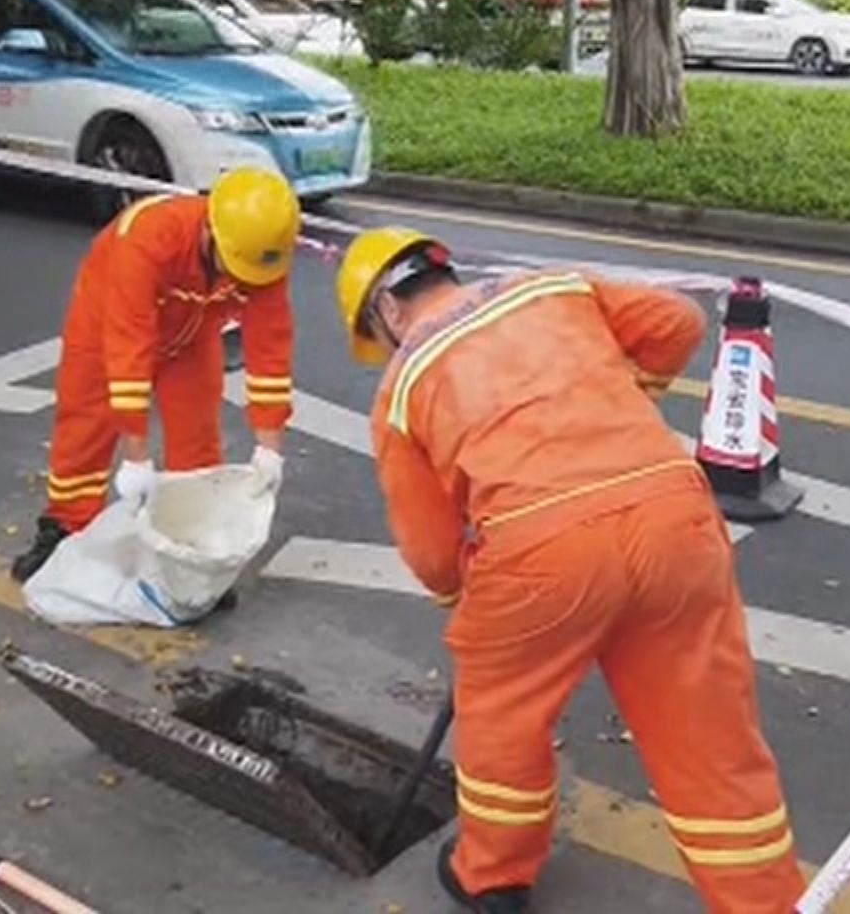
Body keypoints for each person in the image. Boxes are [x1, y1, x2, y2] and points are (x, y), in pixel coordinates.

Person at [336, 228, 802, 914]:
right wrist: (628, 392)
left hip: (541, 548)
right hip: (676, 518)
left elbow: (433, 552)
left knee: (503, 710)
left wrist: (463, 603)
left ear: (386, 306)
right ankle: (766, 902)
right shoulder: (548, 286)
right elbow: (680, 321)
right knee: (708, 734)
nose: (385, 350)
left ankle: (492, 875)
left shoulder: (404, 382)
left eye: (376, 334)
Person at [10, 169, 299, 584]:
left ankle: (193, 552)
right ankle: (64, 527)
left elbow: (271, 348)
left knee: (197, 437)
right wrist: (137, 457)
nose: (241, 282)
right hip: (106, 324)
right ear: (211, 232)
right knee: (85, 427)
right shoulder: (148, 239)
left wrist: (270, 447)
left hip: (192, 333)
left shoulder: (262, 253)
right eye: (235, 269)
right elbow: (127, 353)